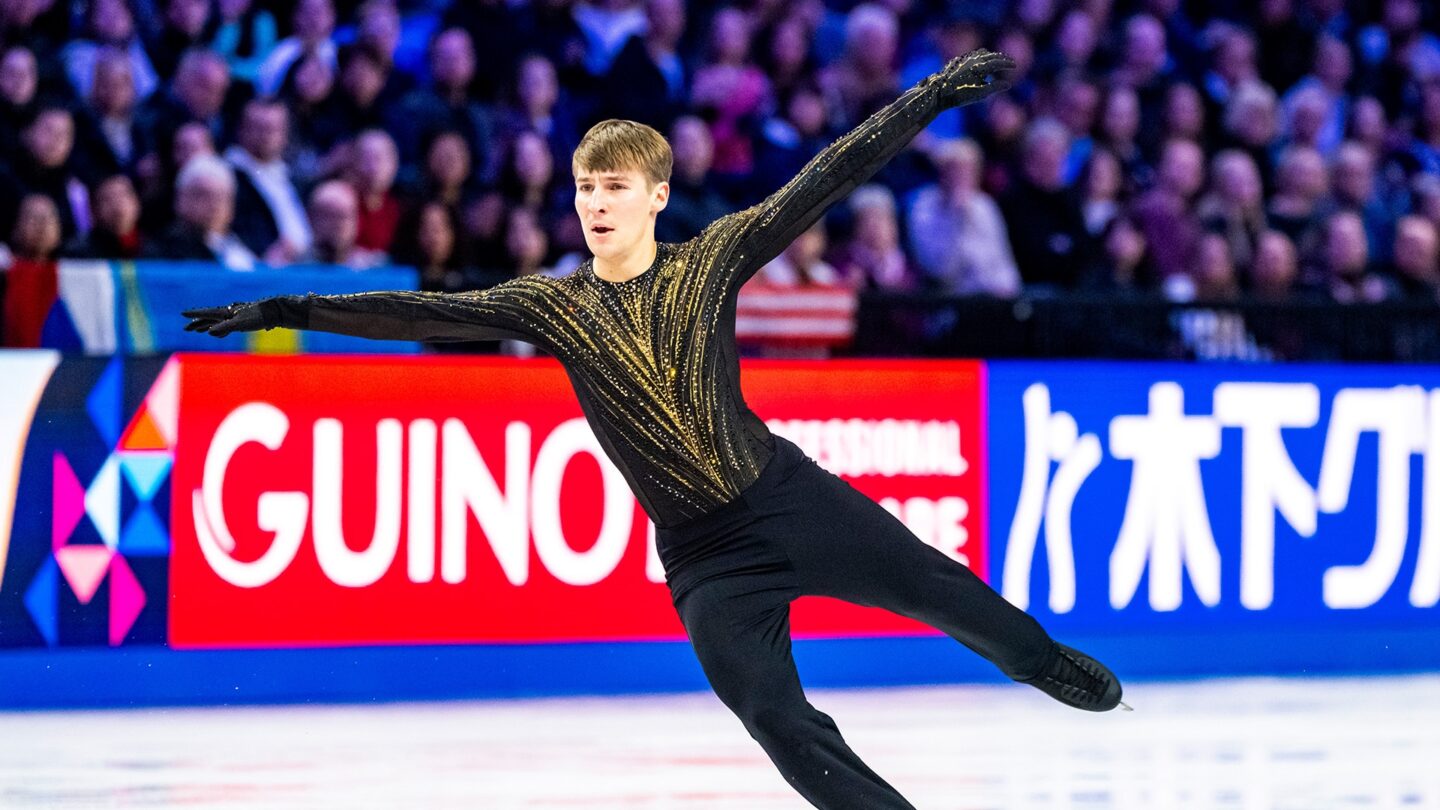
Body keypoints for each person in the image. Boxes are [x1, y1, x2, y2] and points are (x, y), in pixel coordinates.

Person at [183, 50, 1125, 810]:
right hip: (704, 556)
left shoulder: (711, 260)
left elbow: (825, 177)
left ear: (657, 195)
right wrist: (289, 305)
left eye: (615, 187)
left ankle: (1039, 661)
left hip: (785, 498)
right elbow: (422, 310)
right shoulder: (550, 306)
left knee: (938, 587)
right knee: (774, 719)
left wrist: (925, 98)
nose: (595, 203)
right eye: (585, 187)